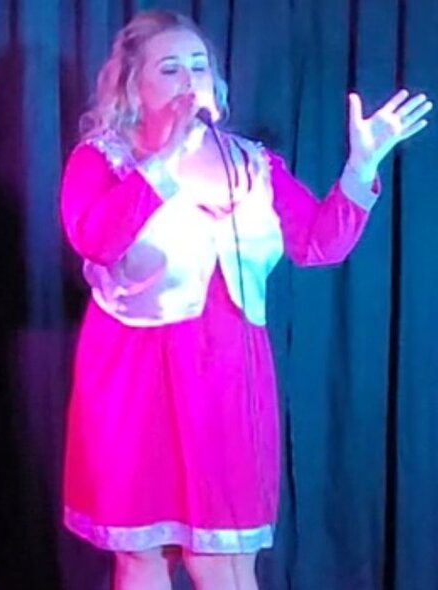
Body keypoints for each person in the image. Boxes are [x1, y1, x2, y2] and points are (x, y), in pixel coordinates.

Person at [59, 9, 429, 590]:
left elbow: (316, 243)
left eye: (198, 67)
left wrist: (362, 166)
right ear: (134, 85)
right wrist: (162, 163)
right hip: (133, 372)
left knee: (223, 558)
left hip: (227, 374)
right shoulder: (102, 159)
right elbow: (97, 239)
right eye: (170, 68)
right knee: (142, 552)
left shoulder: (252, 162)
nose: (188, 81)